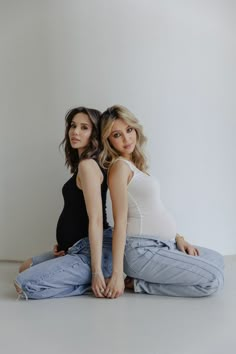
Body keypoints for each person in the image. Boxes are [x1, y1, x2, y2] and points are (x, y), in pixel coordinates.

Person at [99, 104, 224, 299]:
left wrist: (179, 238)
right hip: (141, 251)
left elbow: (153, 210)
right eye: (117, 135)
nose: (126, 138)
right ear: (108, 140)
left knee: (217, 260)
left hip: (164, 244)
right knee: (211, 279)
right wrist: (117, 274)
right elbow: (120, 222)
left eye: (129, 130)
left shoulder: (135, 166)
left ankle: (143, 278)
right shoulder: (119, 168)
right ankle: (139, 284)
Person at [15, 107, 112, 299]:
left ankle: (98, 281)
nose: (75, 132)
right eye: (73, 126)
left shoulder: (88, 166)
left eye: (84, 127)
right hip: (73, 249)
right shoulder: (82, 165)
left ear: (95, 134)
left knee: (23, 284)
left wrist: (96, 272)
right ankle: (80, 276)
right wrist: (66, 244)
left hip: (91, 252)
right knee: (24, 266)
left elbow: (97, 220)